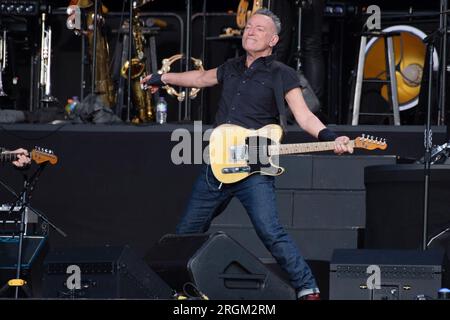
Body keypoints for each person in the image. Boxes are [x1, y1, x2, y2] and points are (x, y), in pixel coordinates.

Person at [142, 8, 353, 300]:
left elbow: (304, 116)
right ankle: (175, 289)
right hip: (217, 164)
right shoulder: (232, 67)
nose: (250, 31)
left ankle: (308, 288)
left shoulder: (283, 74)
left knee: (270, 231)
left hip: (253, 165)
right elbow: (201, 78)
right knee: (186, 232)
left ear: (274, 40)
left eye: (259, 29)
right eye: (249, 27)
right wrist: (163, 78)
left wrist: (331, 138)